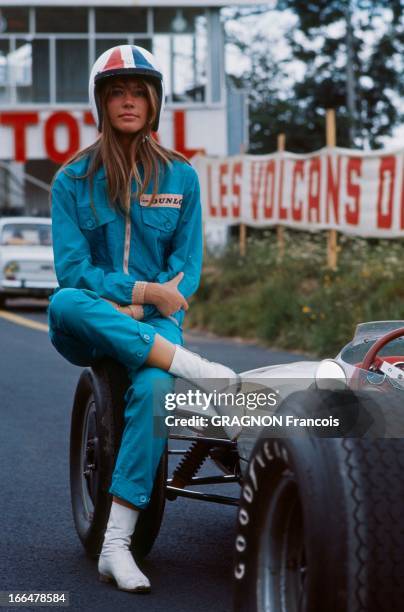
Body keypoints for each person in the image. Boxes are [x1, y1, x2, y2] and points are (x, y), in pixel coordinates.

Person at [48, 45, 238, 594]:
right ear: (101, 103)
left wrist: (142, 304)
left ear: (154, 102)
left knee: (155, 388)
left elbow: (186, 275)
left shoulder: (182, 177)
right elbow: (73, 273)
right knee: (62, 303)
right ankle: (199, 369)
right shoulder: (71, 179)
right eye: (117, 93)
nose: (128, 102)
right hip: (91, 323)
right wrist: (139, 292)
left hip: (151, 327)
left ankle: (116, 545)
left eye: (138, 92)